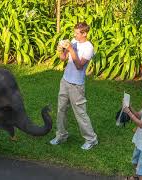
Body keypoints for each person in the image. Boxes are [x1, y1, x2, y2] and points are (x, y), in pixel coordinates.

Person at [49, 22, 98, 150]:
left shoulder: (89, 47)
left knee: (80, 113)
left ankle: (91, 139)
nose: (74, 35)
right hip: (65, 81)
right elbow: (63, 58)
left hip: (77, 85)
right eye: (74, 32)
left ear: (85, 33)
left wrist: (71, 49)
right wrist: (61, 49)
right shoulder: (73, 41)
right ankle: (61, 135)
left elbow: (79, 65)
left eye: (77, 33)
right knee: (61, 110)